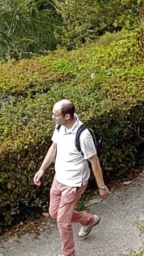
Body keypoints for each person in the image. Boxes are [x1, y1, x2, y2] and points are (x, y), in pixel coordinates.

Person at [34, 99, 110, 256]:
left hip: (73, 184)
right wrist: (42, 169)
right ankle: (89, 220)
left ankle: (68, 253)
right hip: (59, 179)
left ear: (67, 116)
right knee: (54, 213)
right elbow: (54, 147)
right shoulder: (60, 126)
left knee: (62, 221)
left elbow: (94, 161)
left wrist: (101, 187)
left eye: (55, 115)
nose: (52, 117)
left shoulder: (83, 136)